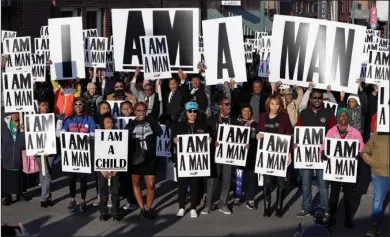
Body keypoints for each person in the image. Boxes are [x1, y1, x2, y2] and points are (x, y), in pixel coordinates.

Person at [295, 89, 337, 218]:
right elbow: (298, 130)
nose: (317, 100)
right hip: (306, 155)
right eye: (314, 98)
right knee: (306, 183)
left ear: (322, 99)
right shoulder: (303, 114)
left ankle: (325, 209)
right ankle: (306, 208)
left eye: (319, 98)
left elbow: (334, 133)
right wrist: (295, 143)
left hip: (322, 156)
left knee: (323, 185)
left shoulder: (329, 114)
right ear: (311, 99)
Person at [321, 108, 364, 228]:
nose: (343, 118)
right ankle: (332, 216)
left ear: (348, 118)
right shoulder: (331, 131)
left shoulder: (355, 132)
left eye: (345, 116)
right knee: (333, 195)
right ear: (338, 117)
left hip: (348, 170)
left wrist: (358, 154)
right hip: (334, 169)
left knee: (348, 195)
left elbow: (361, 146)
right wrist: (323, 153)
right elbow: (324, 146)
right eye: (341, 115)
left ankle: (348, 218)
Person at [172, 101, 210, 218]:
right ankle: (182, 207)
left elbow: (209, 138)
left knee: (195, 184)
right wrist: (174, 140)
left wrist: (210, 140)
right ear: (186, 112)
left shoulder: (203, 125)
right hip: (183, 161)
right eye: (190, 111)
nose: (192, 113)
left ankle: (193, 208)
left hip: (197, 161)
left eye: (195, 111)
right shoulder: (179, 125)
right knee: (182, 185)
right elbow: (172, 139)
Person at [257, 94, 293, 217]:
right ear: (268, 104)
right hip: (266, 155)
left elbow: (290, 135)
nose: (274, 107)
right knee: (267, 182)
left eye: (277, 104)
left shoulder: (284, 117)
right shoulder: (262, 117)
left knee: (281, 183)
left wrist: (289, 153)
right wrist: (257, 136)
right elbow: (259, 132)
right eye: (272, 104)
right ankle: (267, 208)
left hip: (281, 155)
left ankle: (279, 207)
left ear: (280, 106)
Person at [126, 102, 162, 219]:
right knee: (136, 183)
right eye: (139, 110)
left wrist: (151, 120)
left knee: (151, 184)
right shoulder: (131, 124)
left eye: (143, 110)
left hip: (149, 158)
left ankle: (149, 207)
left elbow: (159, 132)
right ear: (134, 112)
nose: (141, 113)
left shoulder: (150, 121)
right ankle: (142, 208)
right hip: (135, 158)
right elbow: (124, 139)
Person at [202, 97, 238, 215]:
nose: (229, 106)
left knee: (227, 179)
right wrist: (211, 139)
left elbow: (239, 136)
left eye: (230, 104)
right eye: (226, 104)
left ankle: (223, 203)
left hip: (228, 155)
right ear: (220, 106)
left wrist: (244, 144)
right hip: (215, 154)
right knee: (212, 179)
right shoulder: (211, 119)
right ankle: (208, 204)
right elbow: (204, 133)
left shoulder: (234, 120)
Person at [62, 98, 96, 212]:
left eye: (80, 104)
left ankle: (83, 200)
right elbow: (63, 133)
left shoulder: (89, 118)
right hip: (72, 154)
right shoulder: (69, 119)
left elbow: (92, 134)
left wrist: (89, 136)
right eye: (75, 104)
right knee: (71, 178)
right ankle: (72, 199)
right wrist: (60, 129)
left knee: (83, 179)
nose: (78, 106)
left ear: (83, 105)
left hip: (84, 154)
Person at [362, 132, 390, 236]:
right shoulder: (377, 134)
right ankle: (374, 226)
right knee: (378, 199)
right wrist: (368, 159)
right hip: (378, 173)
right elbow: (365, 150)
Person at [1, 112, 30, 206]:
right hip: (7, 154)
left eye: (17, 113)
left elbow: (27, 141)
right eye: (13, 113)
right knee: (7, 175)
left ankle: (20, 193)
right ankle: (7, 196)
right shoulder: (5, 124)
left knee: (20, 175)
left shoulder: (25, 125)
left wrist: (23, 130)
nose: (15, 115)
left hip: (20, 155)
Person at [98, 113, 121, 221]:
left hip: (115, 169)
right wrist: (102, 170)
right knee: (103, 191)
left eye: (111, 122)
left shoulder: (119, 135)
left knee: (115, 191)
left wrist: (117, 169)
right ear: (103, 124)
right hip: (103, 170)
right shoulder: (98, 136)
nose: (110, 124)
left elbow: (121, 153)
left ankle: (116, 212)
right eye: (107, 122)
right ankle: (103, 211)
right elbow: (96, 154)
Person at [235, 103, 258, 209]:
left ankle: (250, 199)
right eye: (244, 111)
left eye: (249, 111)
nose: (247, 113)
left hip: (251, 156)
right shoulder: (235, 123)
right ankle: (238, 196)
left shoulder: (255, 125)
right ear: (241, 112)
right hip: (238, 155)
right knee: (239, 177)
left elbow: (258, 140)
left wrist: (256, 139)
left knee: (251, 177)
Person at [35, 98, 57, 208]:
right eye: (43, 105)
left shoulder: (53, 118)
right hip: (38, 150)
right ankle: (47, 197)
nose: (45, 107)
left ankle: (44, 197)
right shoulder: (33, 118)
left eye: (46, 105)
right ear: (39, 107)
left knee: (47, 173)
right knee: (43, 174)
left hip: (50, 150)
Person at [119, 101, 138, 211]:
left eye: (128, 108)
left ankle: (133, 201)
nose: (126, 111)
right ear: (121, 110)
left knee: (133, 179)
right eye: (124, 109)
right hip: (122, 153)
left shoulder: (136, 121)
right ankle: (128, 198)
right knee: (124, 179)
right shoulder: (118, 121)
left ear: (132, 109)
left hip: (133, 153)